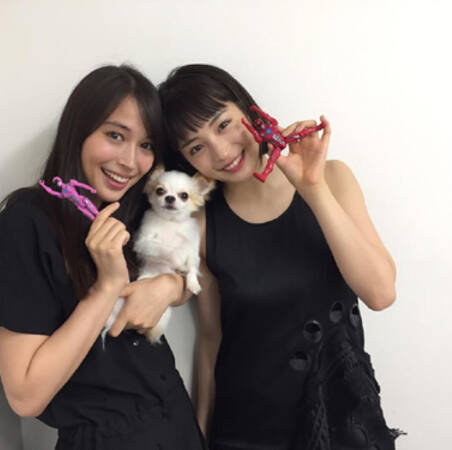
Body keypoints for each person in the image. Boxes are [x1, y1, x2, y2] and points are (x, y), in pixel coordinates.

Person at [159, 64, 403, 450]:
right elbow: (210, 340)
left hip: (343, 420)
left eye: (223, 124)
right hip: (247, 429)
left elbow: (381, 292)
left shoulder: (332, 178)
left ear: (248, 110)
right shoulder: (202, 225)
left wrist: (312, 187)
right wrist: (201, 436)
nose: (221, 151)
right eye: (196, 147)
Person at [0, 65, 205, 450]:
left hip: (176, 421)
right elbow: (25, 395)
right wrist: (106, 287)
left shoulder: (130, 208)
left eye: (146, 145)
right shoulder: (24, 225)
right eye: (115, 135)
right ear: (78, 130)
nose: (130, 161)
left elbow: (182, 266)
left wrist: (169, 287)